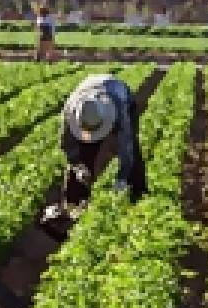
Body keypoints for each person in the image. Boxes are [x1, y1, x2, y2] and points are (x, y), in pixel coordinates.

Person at [55, 73, 147, 216]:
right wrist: (77, 166)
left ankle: (138, 194)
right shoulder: (72, 110)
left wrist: (121, 178)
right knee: (85, 154)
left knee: (133, 151)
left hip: (120, 96)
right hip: (89, 90)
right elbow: (67, 143)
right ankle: (74, 202)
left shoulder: (119, 108)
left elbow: (126, 145)